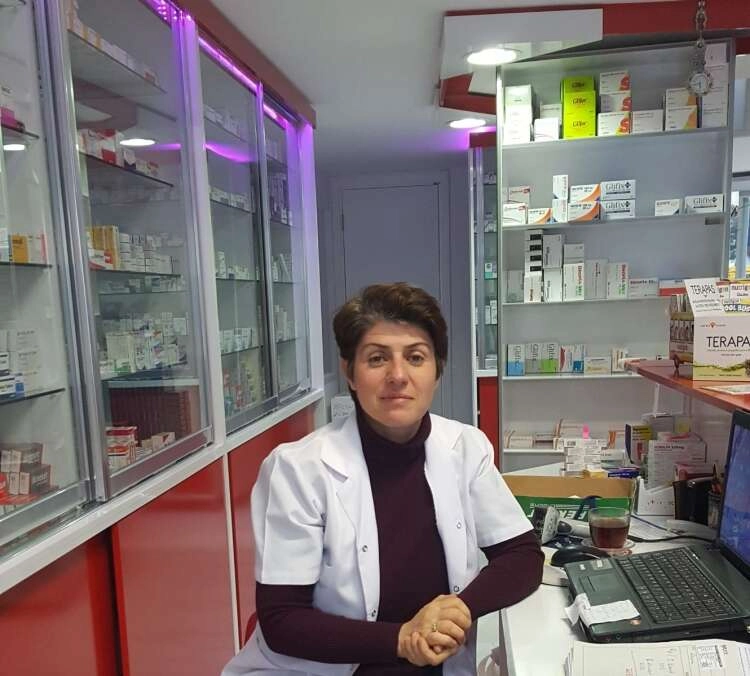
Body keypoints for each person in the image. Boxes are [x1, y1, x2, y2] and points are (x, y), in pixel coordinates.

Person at [223, 282, 543, 676]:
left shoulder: (464, 447)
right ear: (350, 373)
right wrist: (402, 640)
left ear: (437, 370)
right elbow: (282, 620)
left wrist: (460, 608)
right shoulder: (298, 469)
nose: (398, 375)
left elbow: (522, 555)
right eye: (377, 359)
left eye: (416, 357)